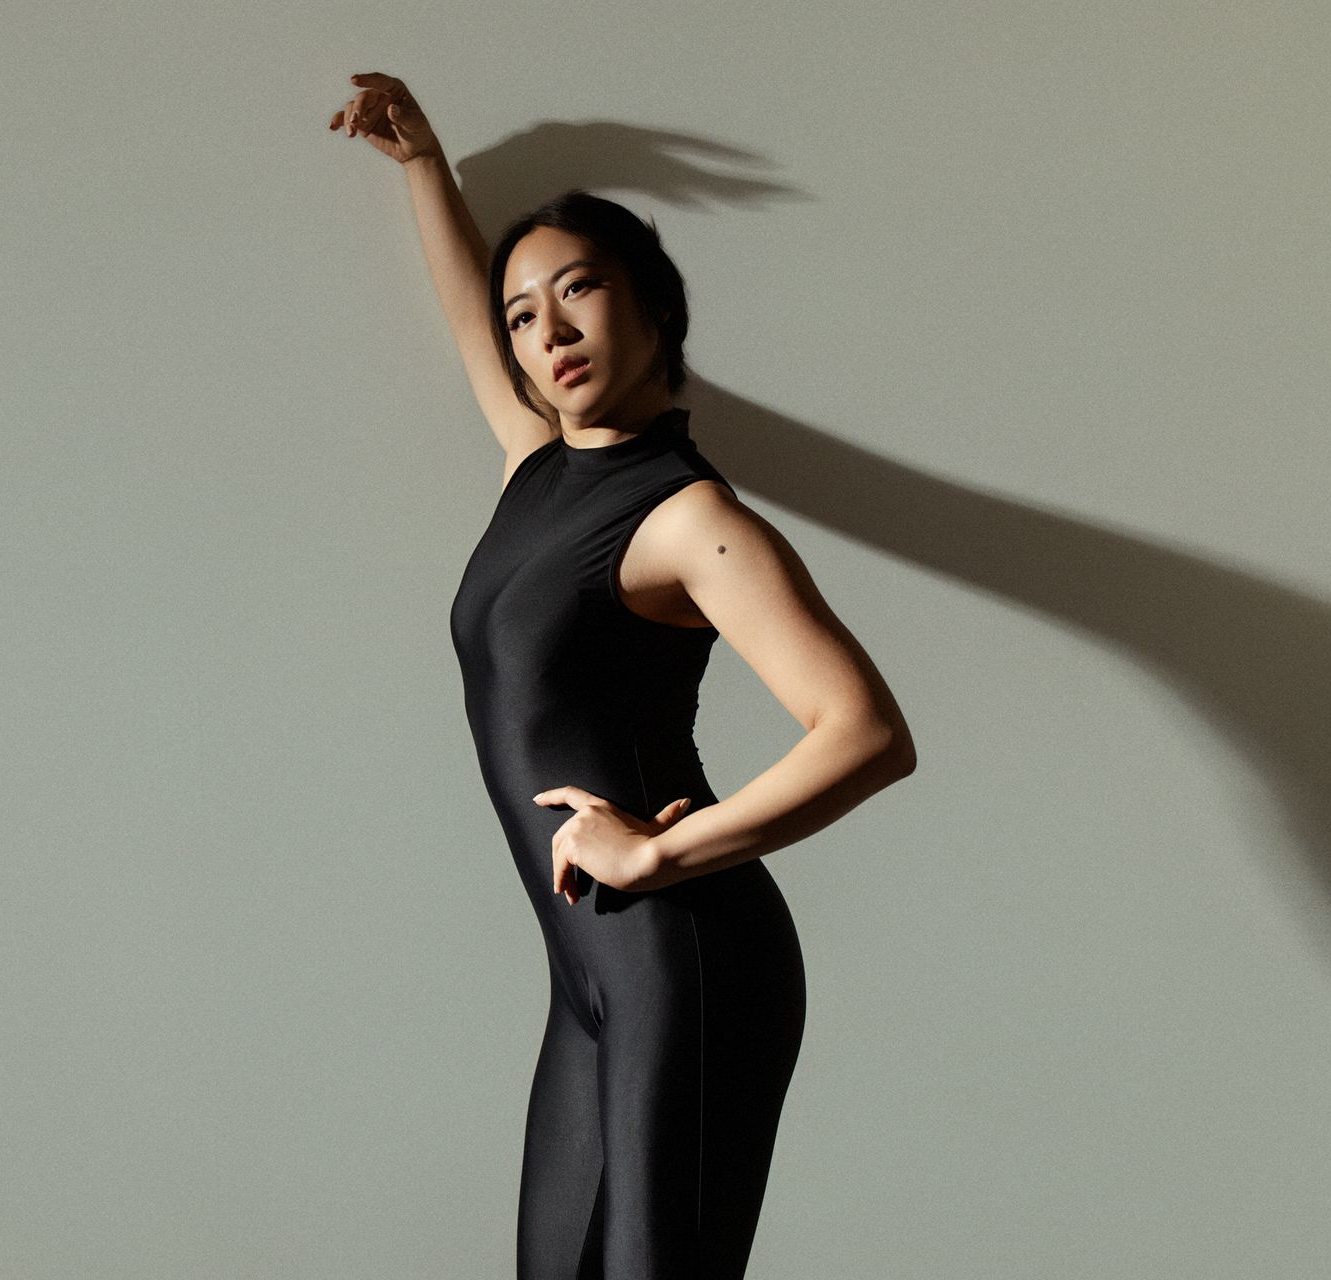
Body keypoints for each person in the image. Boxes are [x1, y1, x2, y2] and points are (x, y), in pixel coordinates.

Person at [332, 73, 918, 1279]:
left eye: (580, 291)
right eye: (524, 317)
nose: (546, 332)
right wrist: (422, 166)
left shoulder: (689, 518)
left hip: (688, 965)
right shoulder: (536, 466)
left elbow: (865, 730)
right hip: (588, 983)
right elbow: (466, 319)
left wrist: (655, 854)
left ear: (655, 306)